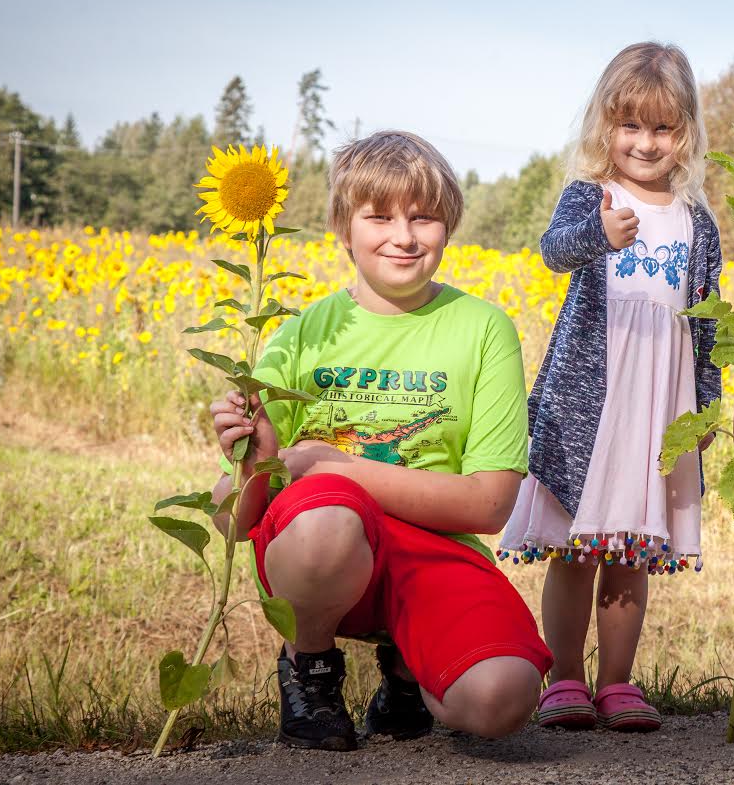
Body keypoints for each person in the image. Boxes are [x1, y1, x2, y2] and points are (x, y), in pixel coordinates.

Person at [209, 131, 552, 751]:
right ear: (344, 228)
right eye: (380, 216)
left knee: (503, 696)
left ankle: (405, 672)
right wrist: (251, 459)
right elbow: (233, 523)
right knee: (328, 520)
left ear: (449, 225)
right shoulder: (298, 337)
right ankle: (310, 674)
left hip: (433, 549)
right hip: (323, 546)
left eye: (424, 216)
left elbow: (492, 506)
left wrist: (336, 465)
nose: (404, 235)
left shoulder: (482, 329)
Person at [498, 42, 722, 732]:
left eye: (661, 127)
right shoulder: (593, 198)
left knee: (631, 553)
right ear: (606, 127)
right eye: (629, 126)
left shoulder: (698, 222)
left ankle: (617, 682)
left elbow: (706, 318)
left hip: (657, 405)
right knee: (574, 550)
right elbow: (554, 247)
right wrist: (599, 232)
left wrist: (708, 399)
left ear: (684, 134)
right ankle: (564, 676)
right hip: (590, 403)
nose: (644, 142)